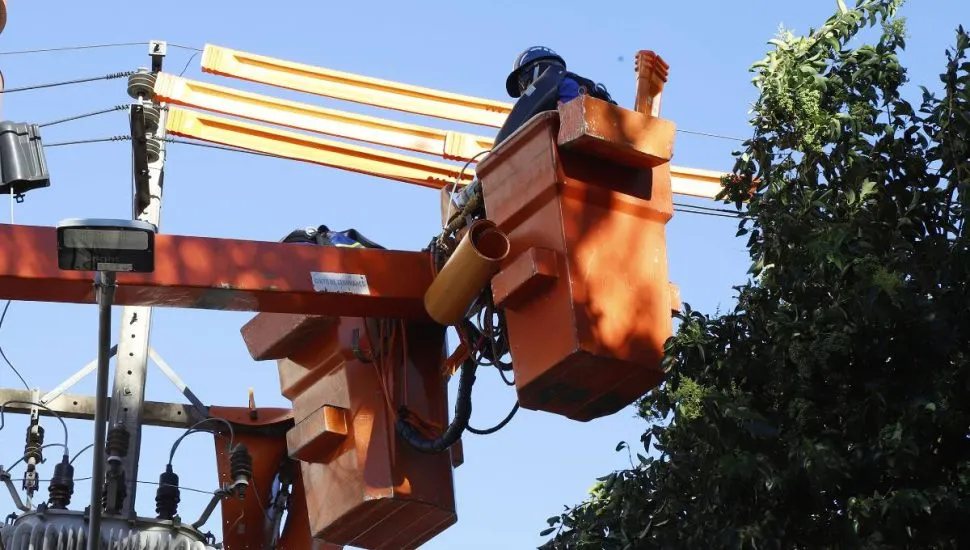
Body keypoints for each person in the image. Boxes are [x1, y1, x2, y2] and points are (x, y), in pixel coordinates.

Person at [493, 46, 616, 144]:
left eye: (522, 83)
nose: (523, 92)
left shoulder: (563, 83)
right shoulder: (576, 83)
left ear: (536, 68)